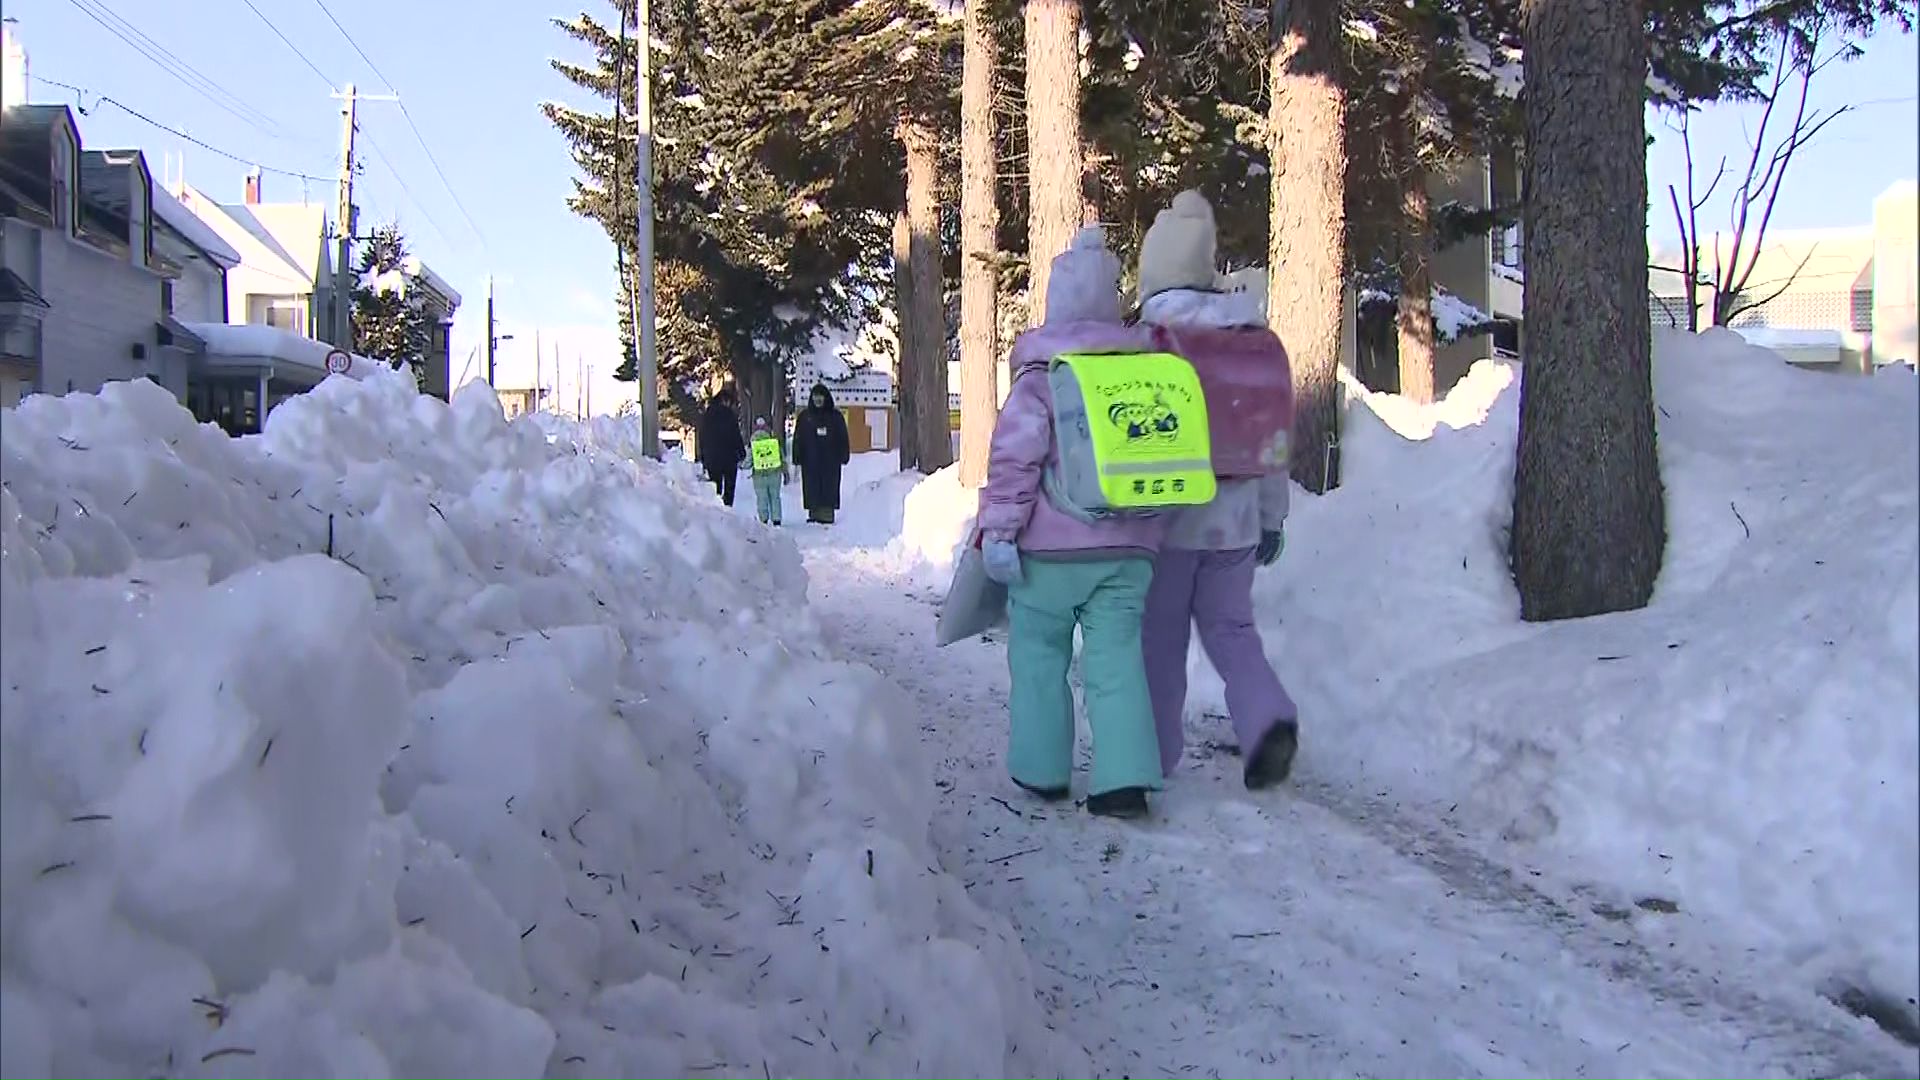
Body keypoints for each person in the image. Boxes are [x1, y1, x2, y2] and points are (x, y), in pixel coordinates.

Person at [977, 226, 1169, 820]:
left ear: (1056, 305)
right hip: (1129, 550)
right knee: (1116, 661)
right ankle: (1124, 782)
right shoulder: (1146, 373)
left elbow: (1014, 465)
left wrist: (1001, 534)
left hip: (1050, 555)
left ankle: (1041, 770)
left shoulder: (1040, 381)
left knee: (1038, 656)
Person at [1134, 190, 1299, 790]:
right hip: (1236, 519)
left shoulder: (1152, 336)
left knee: (1161, 635)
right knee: (1231, 629)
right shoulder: (1248, 334)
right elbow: (1269, 436)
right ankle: (1268, 719)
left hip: (1170, 521)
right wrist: (1272, 517)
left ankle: (1151, 752)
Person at [791, 383, 849, 525]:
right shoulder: (805, 417)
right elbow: (798, 437)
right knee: (812, 486)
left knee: (829, 486)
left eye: (820, 396)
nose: (818, 399)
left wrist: (844, 454)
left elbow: (843, 437)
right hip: (810, 460)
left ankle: (827, 514)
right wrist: (797, 455)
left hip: (830, 460)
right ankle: (813, 513)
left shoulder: (835, 416)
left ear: (826, 398)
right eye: (815, 396)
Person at [699, 387, 746, 507]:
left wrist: (703, 455)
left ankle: (717, 508)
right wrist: (741, 453)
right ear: (726, 401)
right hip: (729, 456)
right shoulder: (729, 414)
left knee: (715, 486)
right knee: (729, 486)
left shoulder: (707, 414)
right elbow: (735, 435)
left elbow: (702, 436)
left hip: (712, 456)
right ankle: (728, 507)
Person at [748, 416, 786, 526]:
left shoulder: (754, 443)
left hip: (759, 476)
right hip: (774, 474)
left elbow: (748, 460)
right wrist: (785, 471)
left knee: (762, 498)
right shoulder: (773, 441)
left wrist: (742, 465)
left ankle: (763, 519)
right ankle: (777, 519)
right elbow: (781, 457)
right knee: (775, 497)